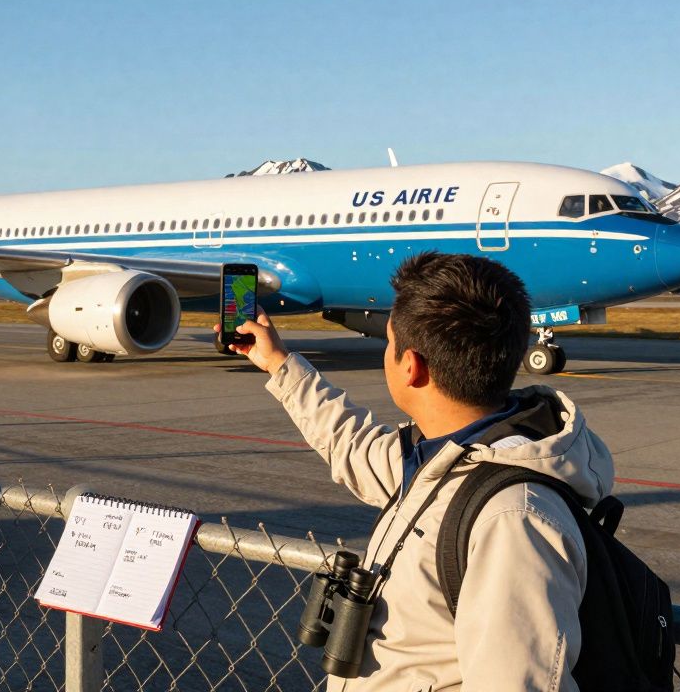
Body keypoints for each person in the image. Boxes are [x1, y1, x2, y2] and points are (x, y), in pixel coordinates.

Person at [221, 252, 615, 691]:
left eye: (388, 344)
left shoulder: (512, 518)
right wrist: (280, 364)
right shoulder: (441, 458)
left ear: (411, 366)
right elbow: (352, 445)